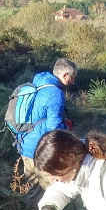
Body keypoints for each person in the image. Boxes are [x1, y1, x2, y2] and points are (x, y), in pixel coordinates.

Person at [19, 58, 78, 192]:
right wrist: (70, 139)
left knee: (30, 191)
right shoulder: (55, 93)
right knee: (52, 194)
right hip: (42, 151)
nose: (73, 81)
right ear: (65, 75)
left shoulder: (38, 84)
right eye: (72, 77)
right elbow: (54, 128)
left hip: (25, 145)